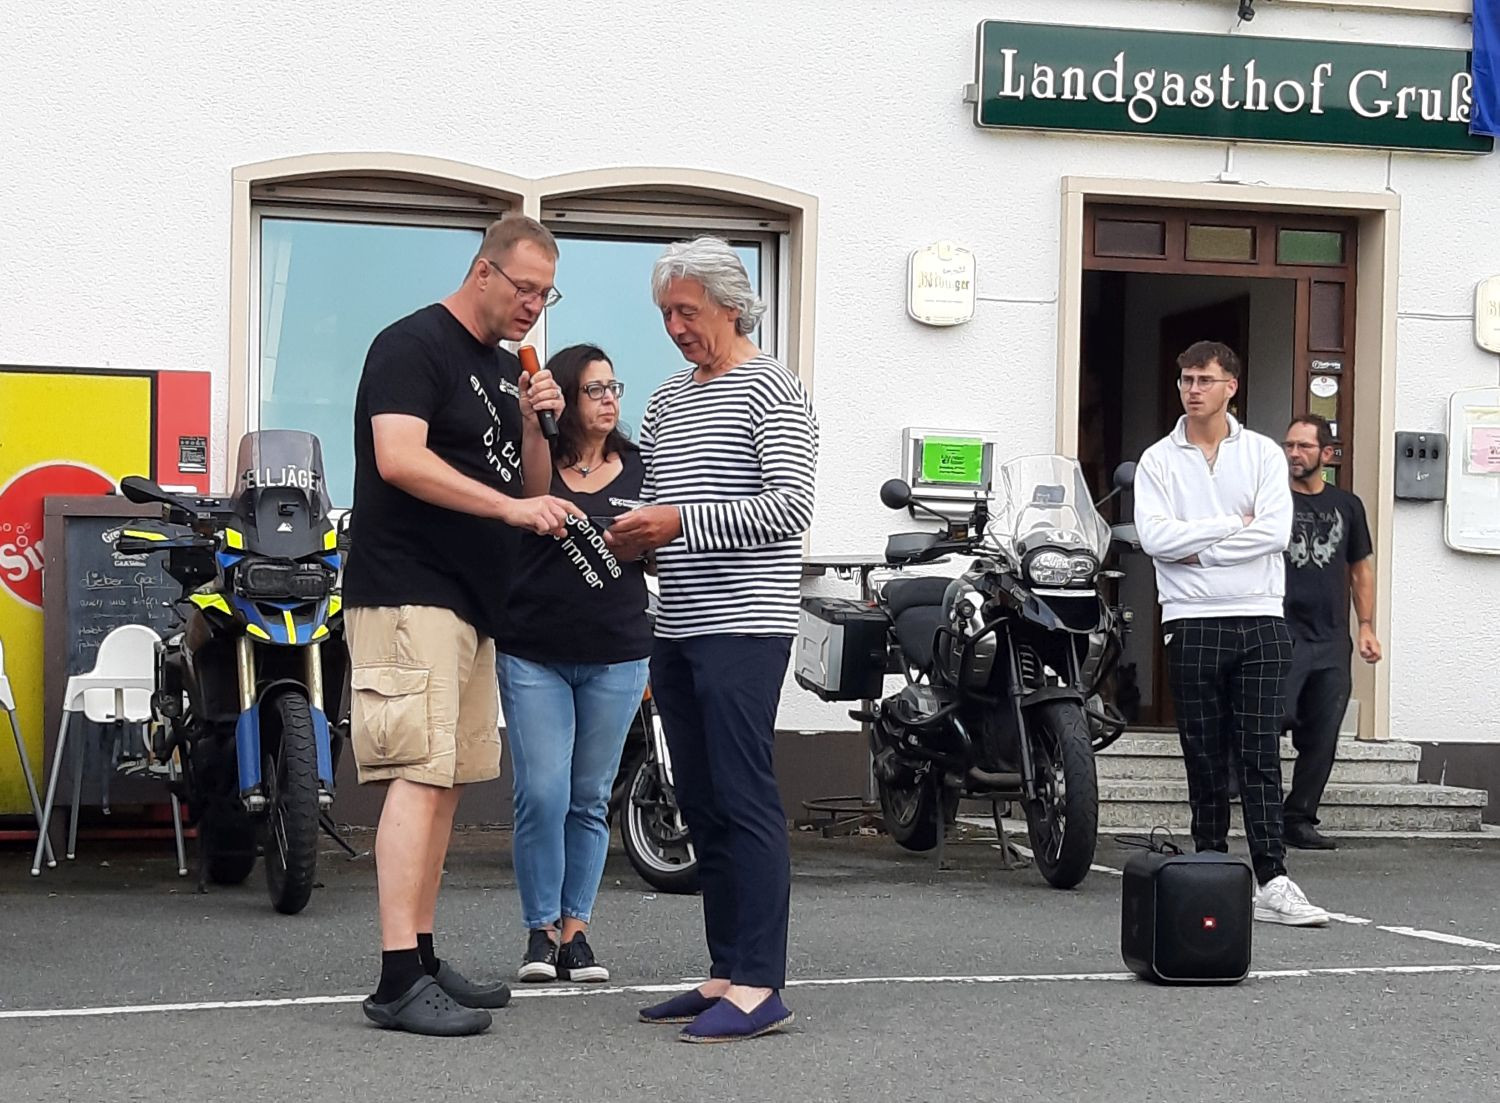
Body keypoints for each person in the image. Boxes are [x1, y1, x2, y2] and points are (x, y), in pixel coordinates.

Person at [343, 215, 582, 1036]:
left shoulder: (502, 369)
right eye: (525, 288)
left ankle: (421, 954)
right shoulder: (412, 344)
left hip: (473, 603)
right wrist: (509, 508)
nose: (534, 306)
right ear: (484, 271)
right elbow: (398, 457)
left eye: (547, 295)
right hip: (408, 591)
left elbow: (532, 488)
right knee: (417, 771)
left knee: (446, 777)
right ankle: (395, 976)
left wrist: (537, 421)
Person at [606, 236, 818, 1043]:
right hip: (679, 622)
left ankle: (762, 983)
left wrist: (676, 523)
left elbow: (789, 507)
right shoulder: (667, 399)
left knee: (742, 792)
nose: (674, 327)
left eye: (686, 311)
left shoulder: (774, 389)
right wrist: (633, 535)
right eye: (665, 313)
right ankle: (727, 970)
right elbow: (656, 503)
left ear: (732, 304)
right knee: (699, 797)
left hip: (747, 625)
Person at [1135, 340, 1330, 927]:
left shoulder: (1265, 454)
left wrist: (1199, 551)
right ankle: (1212, 868)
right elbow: (1155, 539)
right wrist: (1227, 525)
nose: (1192, 390)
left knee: (1259, 752)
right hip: (1190, 619)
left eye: (1204, 380)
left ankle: (1273, 877)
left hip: (1260, 616)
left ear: (1231, 386)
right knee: (1202, 751)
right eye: (1185, 380)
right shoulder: (1157, 460)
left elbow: (1273, 533)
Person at [495, 345, 651, 984]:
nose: (609, 399)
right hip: (534, 652)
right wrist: (533, 424)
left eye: (614, 387)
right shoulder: (534, 458)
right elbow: (523, 503)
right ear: (562, 395)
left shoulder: (640, 467)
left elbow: (664, 547)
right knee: (542, 792)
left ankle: (576, 933)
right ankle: (539, 931)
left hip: (617, 654)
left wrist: (639, 544)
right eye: (594, 389)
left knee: (588, 797)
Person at [1280, 414, 1382, 850]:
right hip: (1280, 630)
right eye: (1289, 445)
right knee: (1269, 717)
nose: (1294, 454)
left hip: (1331, 637)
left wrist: (1366, 626)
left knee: (1322, 736)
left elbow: (1360, 569)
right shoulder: (1272, 500)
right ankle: (1255, 806)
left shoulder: (1347, 505)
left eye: (1304, 446)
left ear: (1326, 453)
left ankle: (1299, 819)